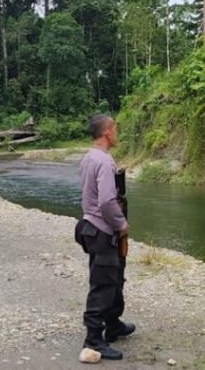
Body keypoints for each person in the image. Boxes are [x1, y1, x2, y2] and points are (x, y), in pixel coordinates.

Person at [74, 114, 135, 361]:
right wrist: (121, 225)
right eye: (115, 129)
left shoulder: (89, 157)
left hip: (91, 227)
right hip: (103, 230)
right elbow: (107, 201)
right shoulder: (105, 161)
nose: (117, 132)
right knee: (104, 284)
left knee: (115, 276)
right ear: (107, 132)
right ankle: (94, 340)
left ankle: (113, 324)